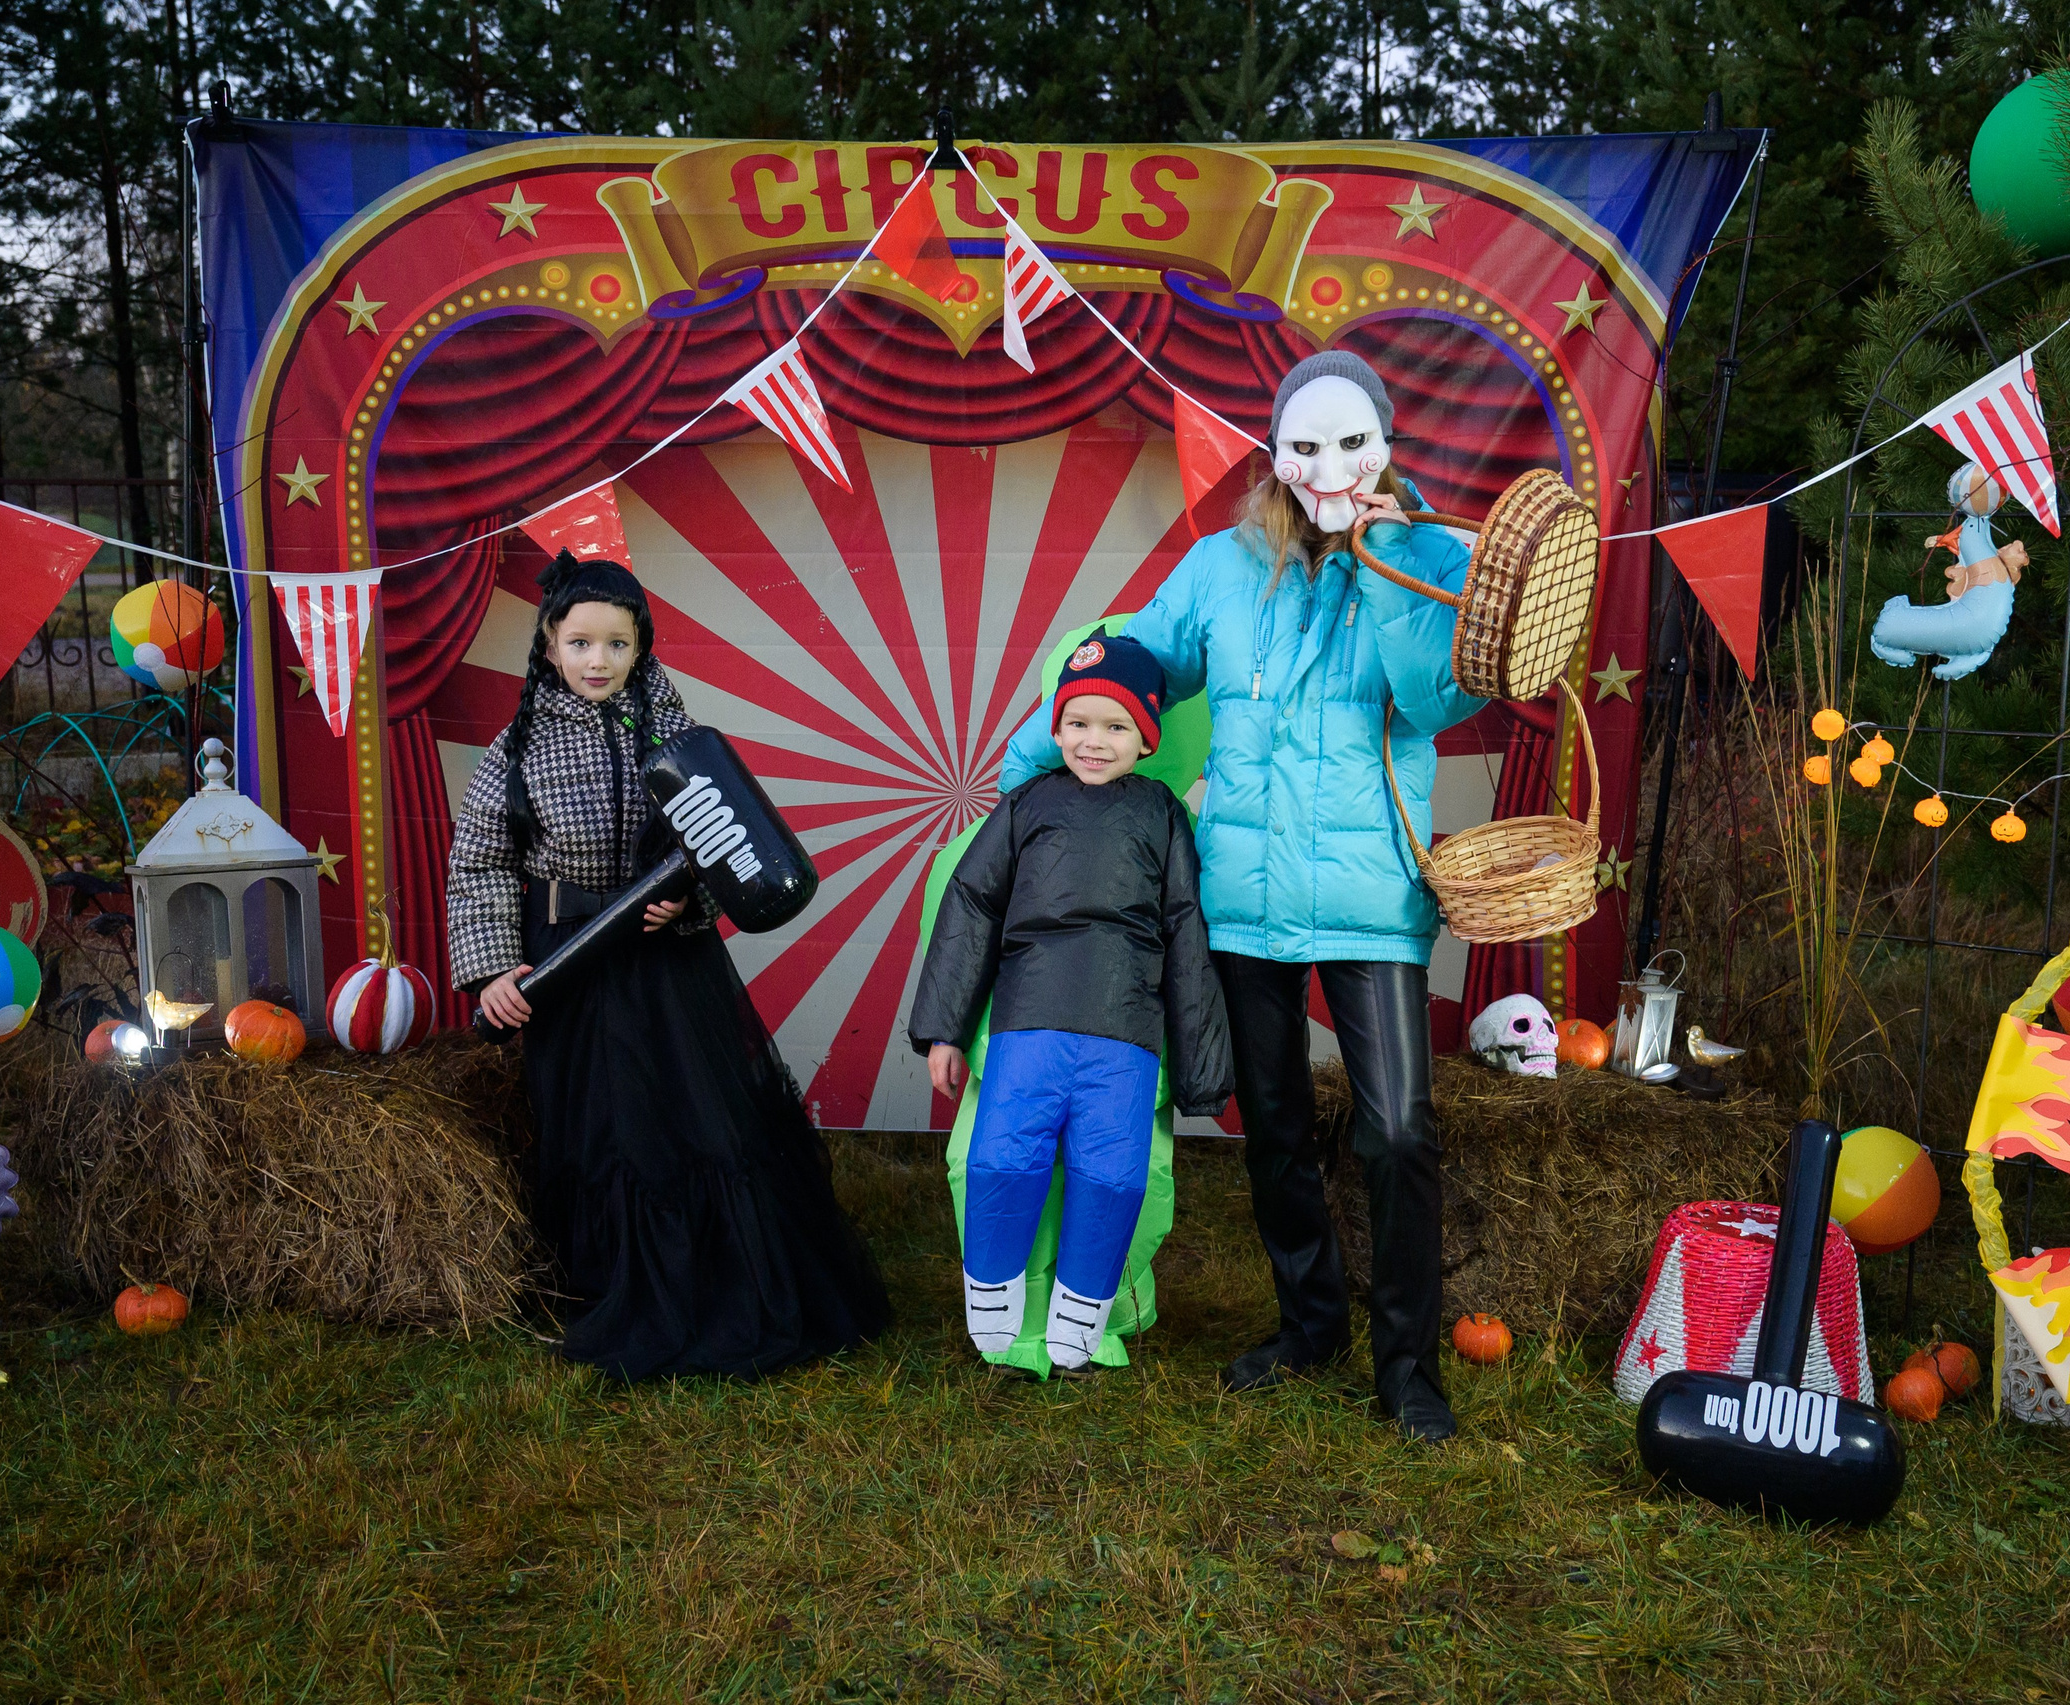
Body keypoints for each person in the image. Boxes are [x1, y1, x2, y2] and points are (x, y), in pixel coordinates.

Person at [1000, 351, 1487, 1443]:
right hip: (1245, 897)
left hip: (1370, 896)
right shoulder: (1220, 568)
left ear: (1386, 445)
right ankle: (1310, 1321)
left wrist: (1382, 552)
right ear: (1273, 452)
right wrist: (1028, 754)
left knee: (1398, 1128)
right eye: (1304, 446)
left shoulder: (1427, 558)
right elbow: (1136, 664)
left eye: (1349, 442)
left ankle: (1407, 1367)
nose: (1326, 467)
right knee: (1266, 1118)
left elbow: (1435, 694)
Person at [448, 553, 891, 1381]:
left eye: (618, 644)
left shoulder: (669, 729)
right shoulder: (518, 751)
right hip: (570, 969)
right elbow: (477, 864)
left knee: (688, 1117)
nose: (598, 661)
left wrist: (689, 904)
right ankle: (616, 1282)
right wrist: (492, 971)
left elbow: (723, 841)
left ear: (640, 647)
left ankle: (719, 1283)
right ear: (548, 643)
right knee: (603, 1125)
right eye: (580, 642)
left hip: (669, 970)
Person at [908, 634, 1232, 1369]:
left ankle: (1081, 1315)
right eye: (1079, 723)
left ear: (1146, 739)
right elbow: (971, 905)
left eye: (1117, 727)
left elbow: (1186, 935)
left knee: (1113, 1174)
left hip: (1125, 1031)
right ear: (1054, 729)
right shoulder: (1027, 806)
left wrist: (1203, 1069)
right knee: (1001, 1158)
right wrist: (945, 1030)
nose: (1095, 741)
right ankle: (993, 1298)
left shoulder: (1162, 816)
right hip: (1030, 1022)